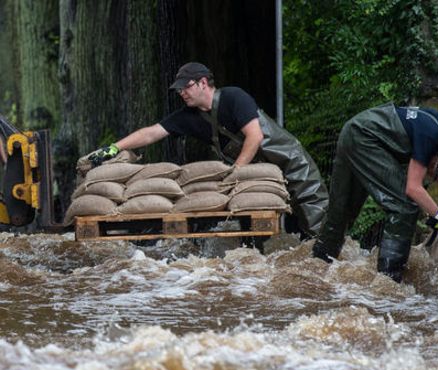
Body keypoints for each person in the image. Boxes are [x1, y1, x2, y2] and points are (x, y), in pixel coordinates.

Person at [87, 62, 329, 238]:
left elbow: (254, 136)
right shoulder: (188, 117)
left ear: (203, 83)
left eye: (186, 86)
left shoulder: (235, 97)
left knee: (315, 222)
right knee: (251, 229)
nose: (182, 92)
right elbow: (151, 133)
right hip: (255, 176)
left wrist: (237, 171)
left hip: (291, 163)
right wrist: (113, 148)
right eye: (179, 89)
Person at [312, 102, 438, 282]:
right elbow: (413, 188)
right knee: (404, 205)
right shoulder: (430, 133)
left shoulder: (435, 121)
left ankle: (317, 266)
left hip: (353, 131)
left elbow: (429, 168)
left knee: (342, 209)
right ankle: (389, 280)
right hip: (364, 139)